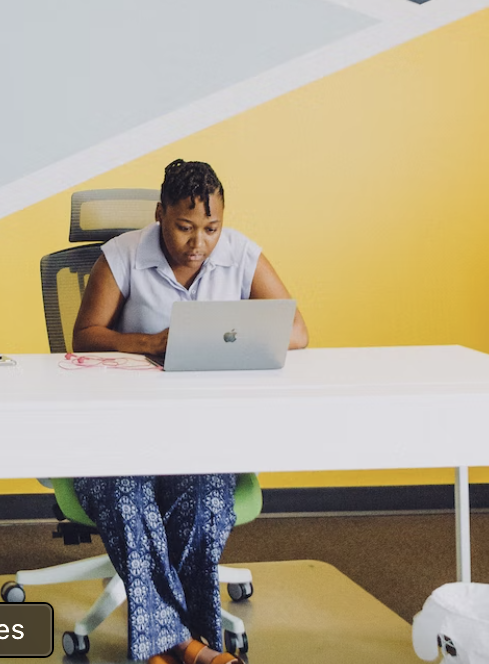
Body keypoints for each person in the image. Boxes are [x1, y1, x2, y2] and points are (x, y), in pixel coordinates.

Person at [68, 158, 308, 664]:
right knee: (125, 496)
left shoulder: (240, 254)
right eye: (184, 227)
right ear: (160, 214)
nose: (198, 241)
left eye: (211, 228)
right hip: (116, 436)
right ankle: (189, 646)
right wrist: (149, 342)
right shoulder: (123, 255)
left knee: (206, 502)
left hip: (199, 435)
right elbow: (84, 336)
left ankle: (168, 646)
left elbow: (298, 333)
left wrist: (227, 330)